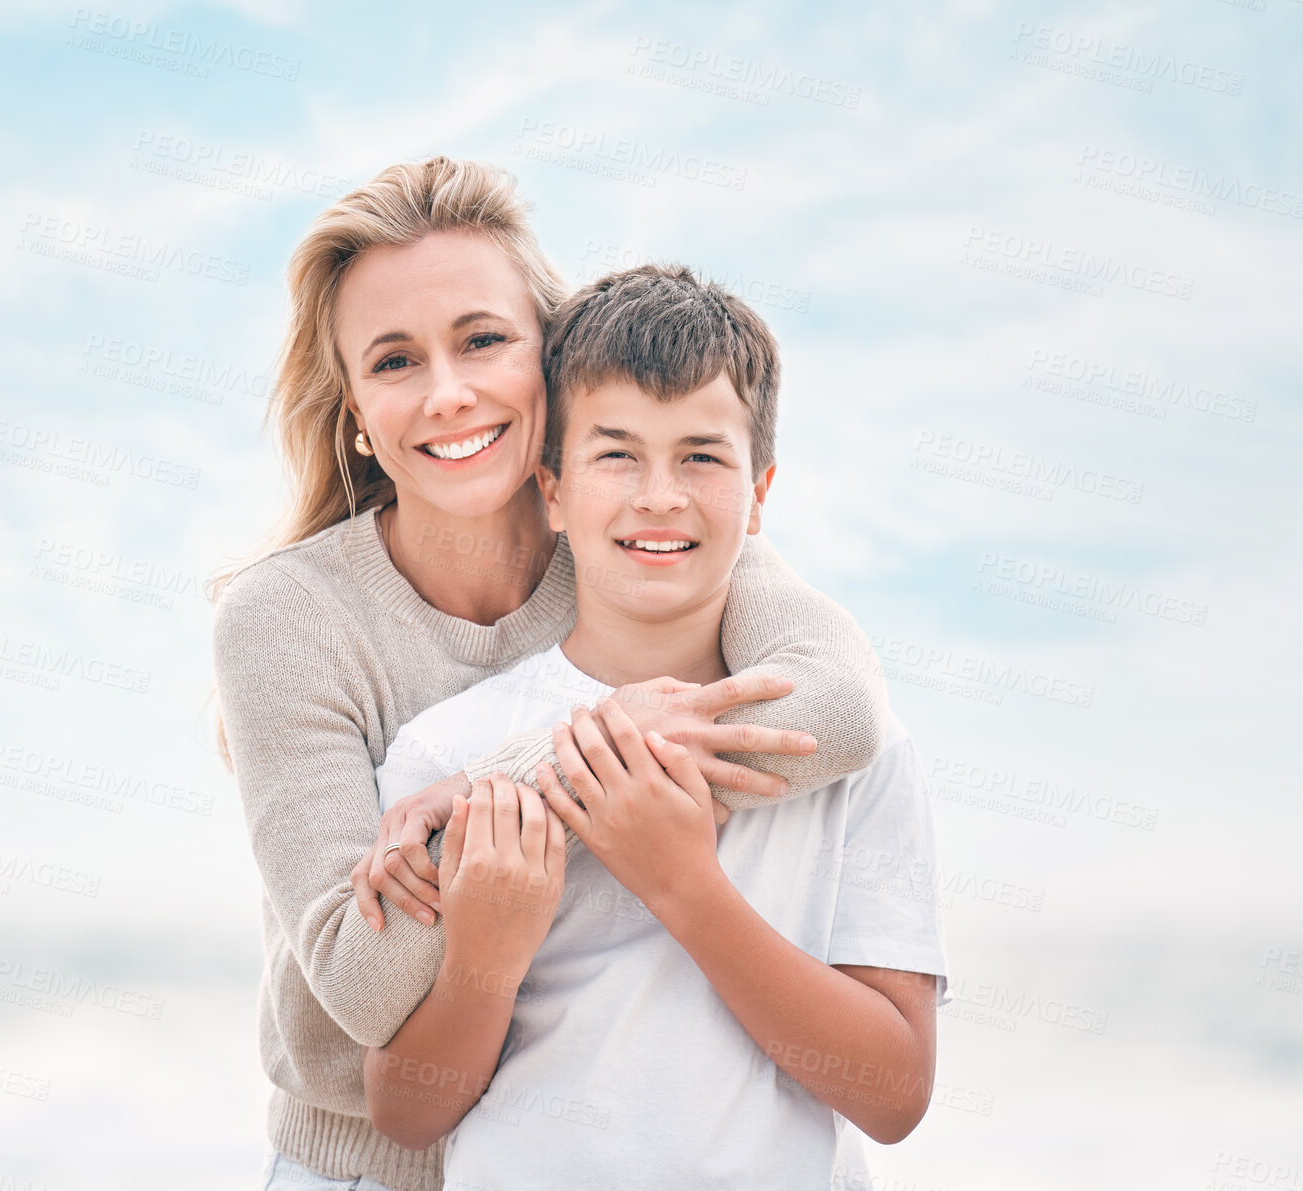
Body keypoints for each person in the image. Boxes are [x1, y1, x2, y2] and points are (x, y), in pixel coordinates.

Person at [210, 157, 890, 1191]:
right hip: (366, 1171)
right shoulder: (288, 619)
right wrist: (535, 785)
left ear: (551, 353)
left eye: (483, 340)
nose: (450, 393)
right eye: (395, 362)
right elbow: (359, 978)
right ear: (355, 409)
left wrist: (494, 793)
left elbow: (834, 711)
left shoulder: (637, 534)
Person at [362, 265, 949, 1189]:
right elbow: (403, 1111)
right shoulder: (450, 751)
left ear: (759, 494)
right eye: (616, 454)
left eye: (701, 457)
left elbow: (893, 1092)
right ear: (551, 490)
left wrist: (685, 887)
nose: (659, 495)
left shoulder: (851, 752)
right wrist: (487, 953)